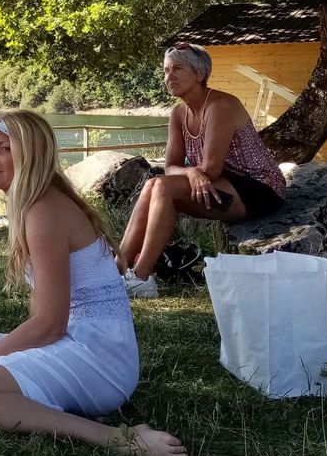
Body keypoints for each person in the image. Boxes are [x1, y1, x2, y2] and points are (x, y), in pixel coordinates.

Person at [0, 112, 188, 456]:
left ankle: (120, 438)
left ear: (32, 155)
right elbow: (42, 308)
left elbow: (51, 323)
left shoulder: (44, 211)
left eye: (5, 148)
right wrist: (2, 358)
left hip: (98, 357)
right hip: (73, 339)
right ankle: (36, 398)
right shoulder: (33, 205)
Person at [118, 43, 286, 298]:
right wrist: (190, 172)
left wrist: (193, 171)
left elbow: (212, 169)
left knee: (162, 186)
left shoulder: (220, 105)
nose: (169, 76)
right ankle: (117, 270)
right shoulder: (178, 114)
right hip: (218, 184)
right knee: (153, 185)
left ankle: (140, 277)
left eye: (177, 68)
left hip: (258, 189)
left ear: (199, 74)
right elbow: (170, 166)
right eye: (165, 70)